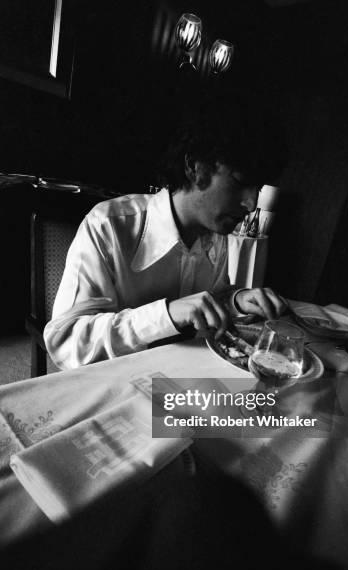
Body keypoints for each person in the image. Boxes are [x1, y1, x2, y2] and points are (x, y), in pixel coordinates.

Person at [44, 93, 287, 370]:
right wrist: (167, 314)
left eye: (258, 189)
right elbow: (65, 343)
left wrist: (236, 300)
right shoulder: (109, 225)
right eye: (242, 182)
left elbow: (211, 298)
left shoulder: (217, 235)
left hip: (181, 378)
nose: (252, 203)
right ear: (195, 167)